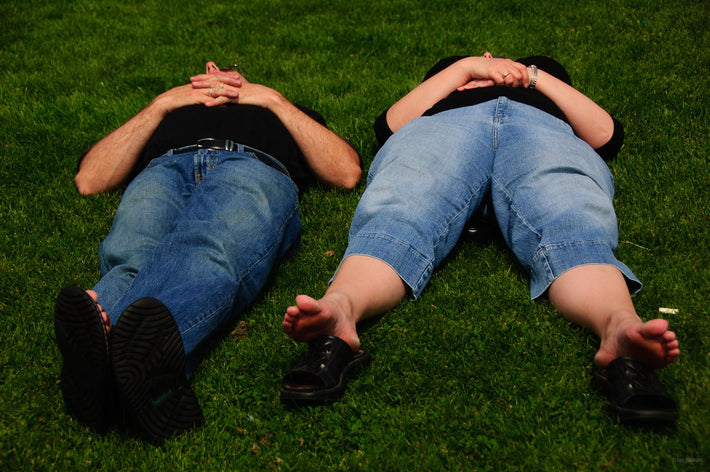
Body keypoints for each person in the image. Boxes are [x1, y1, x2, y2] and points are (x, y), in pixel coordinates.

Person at [281, 52, 680, 427]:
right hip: (446, 127)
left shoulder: (540, 79)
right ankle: (340, 311)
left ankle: (619, 328)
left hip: (540, 129)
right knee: (401, 202)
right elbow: (390, 126)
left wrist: (532, 76)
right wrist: (467, 68)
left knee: (570, 212)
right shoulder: (457, 77)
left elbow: (606, 135)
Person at [53, 61, 361, 443]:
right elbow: (90, 180)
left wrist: (272, 100)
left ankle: (107, 360)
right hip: (163, 170)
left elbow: (346, 173)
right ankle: (130, 368)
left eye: (234, 79)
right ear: (206, 71)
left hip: (251, 166)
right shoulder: (170, 111)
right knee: (128, 260)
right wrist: (160, 105)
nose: (223, 84)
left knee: (208, 245)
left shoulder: (278, 109)